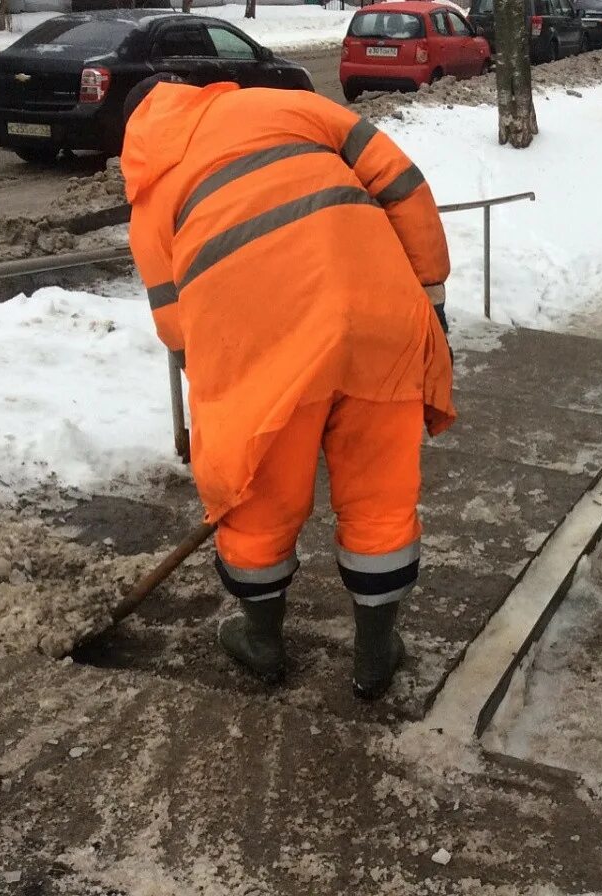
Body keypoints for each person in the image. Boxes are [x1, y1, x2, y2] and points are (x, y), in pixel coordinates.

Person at [120, 74, 455, 700]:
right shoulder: (292, 105)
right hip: (378, 315)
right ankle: (375, 651)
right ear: (198, 93)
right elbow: (403, 184)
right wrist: (429, 295)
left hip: (262, 349)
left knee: (257, 504)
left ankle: (262, 641)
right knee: (381, 498)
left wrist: (230, 394)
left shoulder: (152, 193)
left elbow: (175, 324)